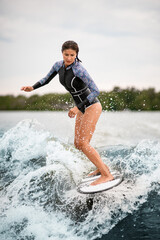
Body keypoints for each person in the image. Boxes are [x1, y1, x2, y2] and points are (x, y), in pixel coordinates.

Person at [21, 40, 114, 185]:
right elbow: (46, 79)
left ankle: (106, 174)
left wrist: (78, 107)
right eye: (66, 54)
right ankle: (102, 167)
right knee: (78, 143)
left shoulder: (79, 69)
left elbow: (96, 91)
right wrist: (32, 88)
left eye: (72, 55)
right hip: (81, 108)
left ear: (76, 54)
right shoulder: (58, 65)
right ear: (62, 53)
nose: (69, 58)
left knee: (83, 143)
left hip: (91, 106)